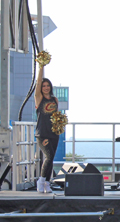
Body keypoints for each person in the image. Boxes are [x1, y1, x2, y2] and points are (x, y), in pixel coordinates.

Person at [34, 65, 59, 193]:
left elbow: (57, 116)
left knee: (52, 158)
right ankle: (41, 180)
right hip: (42, 133)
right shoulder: (39, 98)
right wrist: (41, 67)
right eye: (43, 86)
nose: (45, 87)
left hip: (54, 133)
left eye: (47, 85)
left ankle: (47, 183)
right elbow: (38, 83)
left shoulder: (55, 99)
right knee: (48, 156)